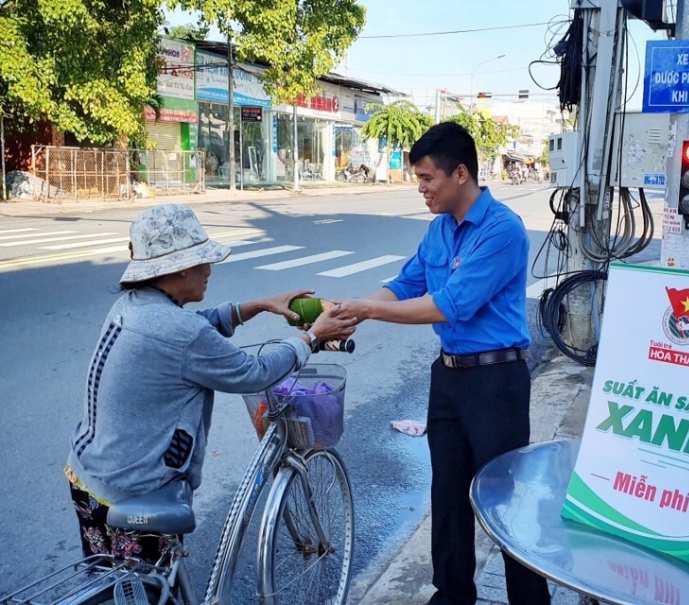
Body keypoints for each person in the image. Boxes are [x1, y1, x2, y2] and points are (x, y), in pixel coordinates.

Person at [65, 203, 356, 561]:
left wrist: (259, 305)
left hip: (87, 474)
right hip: (135, 486)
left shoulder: (134, 306)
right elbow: (255, 373)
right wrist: (311, 338)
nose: (209, 270)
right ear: (180, 268)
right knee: (154, 591)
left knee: (116, 584)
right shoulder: (178, 330)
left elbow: (195, 327)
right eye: (203, 261)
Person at [336, 122, 550, 605]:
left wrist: (368, 311)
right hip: (450, 376)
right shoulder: (438, 231)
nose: (422, 188)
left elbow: (450, 304)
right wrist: (355, 309)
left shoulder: (502, 230)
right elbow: (406, 284)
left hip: (497, 381)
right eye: (419, 178)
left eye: (428, 178)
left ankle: (530, 601)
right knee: (448, 495)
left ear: (460, 173)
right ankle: (453, 595)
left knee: (504, 499)